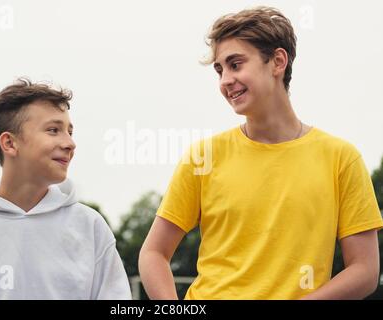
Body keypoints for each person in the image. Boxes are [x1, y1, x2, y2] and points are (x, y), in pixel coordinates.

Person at [139, 6, 383, 299]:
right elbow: (153, 252)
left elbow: (365, 269)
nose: (225, 80)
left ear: (278, 61)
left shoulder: (341, 158)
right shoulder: (202, 157)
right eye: (220, 70)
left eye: (235, 64)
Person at [0, 78, 131, 299]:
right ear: (9, 143)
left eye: (70, 132)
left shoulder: (90, 228)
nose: (70, 143)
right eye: (54, 130)